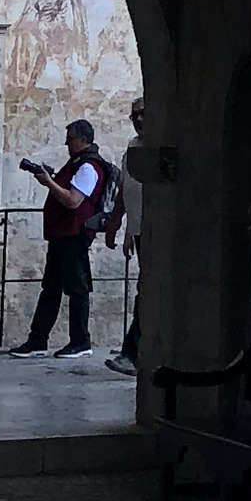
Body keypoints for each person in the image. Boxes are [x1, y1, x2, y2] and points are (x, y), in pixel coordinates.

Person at [10, 119, 110, 356]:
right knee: (51, 288)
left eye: (71, 139)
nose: (67, 143)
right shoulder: (77, 164)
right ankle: (38, 339)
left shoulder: (88, 167)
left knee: (77, 288)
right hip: (61, 235)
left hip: (74, 235)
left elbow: (73, 200)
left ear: (83, 140)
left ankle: (80, 341)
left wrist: (49, 183)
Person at [104, 100, 148, 376]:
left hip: (152, 231)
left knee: (146, 293)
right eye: (134, 116)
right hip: (139, 231)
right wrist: (118, 223)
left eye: (144, 114)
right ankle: (133, 352)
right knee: (145, 292)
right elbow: (126, 189)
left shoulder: (158, 146)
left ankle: (132, 353)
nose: (139, 120)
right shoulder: (133, 148)